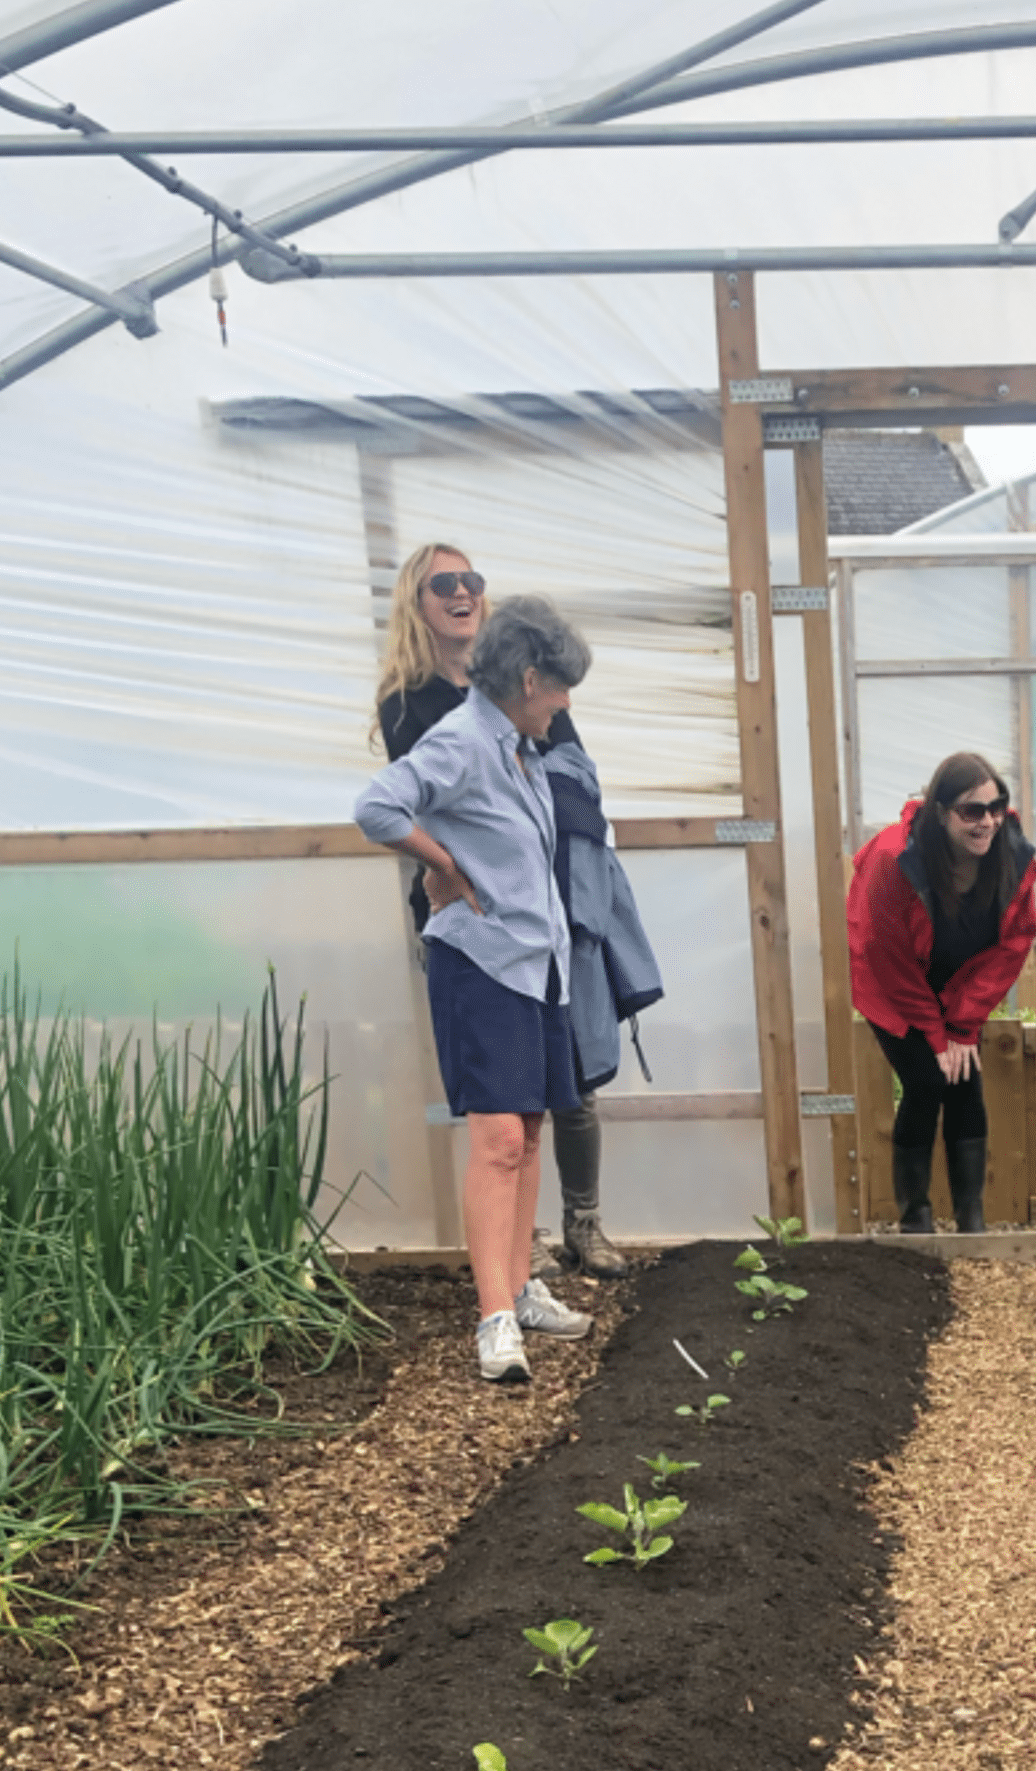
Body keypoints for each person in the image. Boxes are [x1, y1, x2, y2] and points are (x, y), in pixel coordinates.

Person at [357, 596, 601, 1382]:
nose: (565, 705)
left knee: (527, 1133)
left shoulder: (518, 744)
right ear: (529, 679)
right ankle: (495, 1320)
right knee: (497, 1141)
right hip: (485, 964)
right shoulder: (462, 739)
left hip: (535, 961)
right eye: (560, 688)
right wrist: (442, 864)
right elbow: (377, 805)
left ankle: (524, 1288)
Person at [372, 544, 631, 1282]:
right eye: (443, 584)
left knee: (565, 1079)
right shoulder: (419, 705)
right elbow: (409, 804)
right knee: (503, 1114)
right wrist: (445, 866)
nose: (462, 592)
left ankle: (578, 1221)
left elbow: (573, 780)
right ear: (416, 604)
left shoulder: (535, 697)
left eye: (472, 581)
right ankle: (515, 1268)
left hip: (544, 910)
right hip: (482, 924)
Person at [847, 754, 1036, 1234]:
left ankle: (970, 1219)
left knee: (963, 1081)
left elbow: (1014, 942)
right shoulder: (896, 861)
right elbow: (884, 956)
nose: (988, 821)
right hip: (893, 983)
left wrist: (961, 1024)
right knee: (927, 1081)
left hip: (958, 985)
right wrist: (936, 1035)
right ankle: (917, 1216)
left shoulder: (1012, 858)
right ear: (940, 811)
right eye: (971, 811)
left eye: (997, 806)